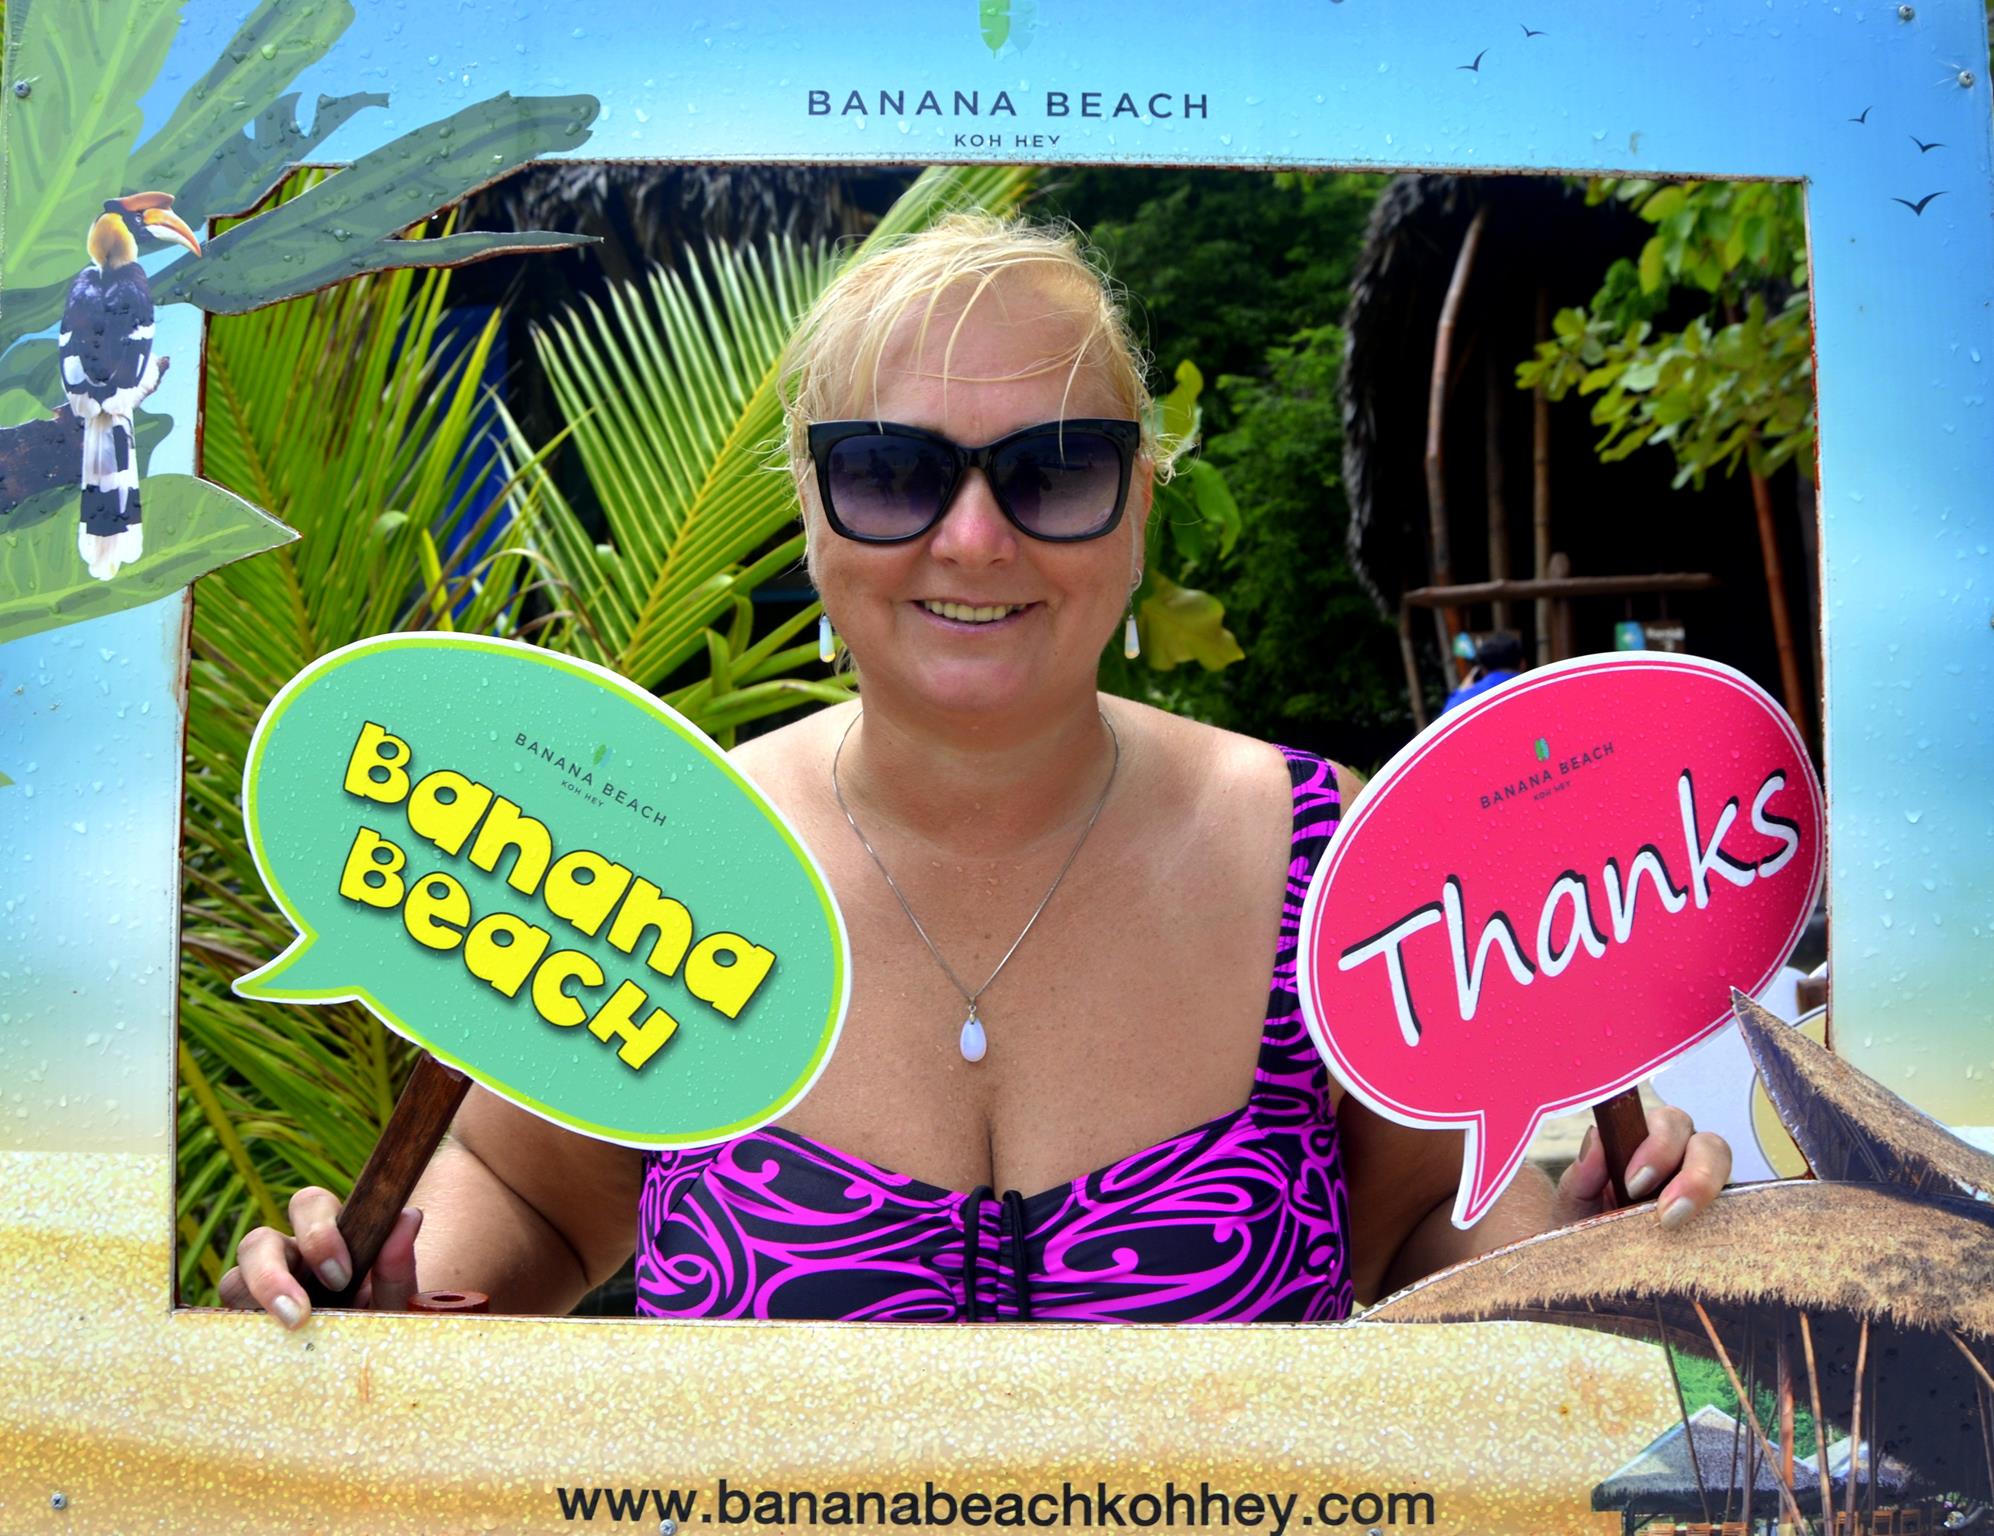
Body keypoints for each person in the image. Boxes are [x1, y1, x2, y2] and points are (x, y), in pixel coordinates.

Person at [222, 212, 1729, 1326]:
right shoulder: (658, 855)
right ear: (811, 503)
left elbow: (1421, 1245)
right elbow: (527, 1203)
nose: (973, 539)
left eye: (1053, 470)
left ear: (1139, 504)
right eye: (891, 471)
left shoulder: (1339, 868)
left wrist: (1595, 1246)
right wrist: (358, 1281)